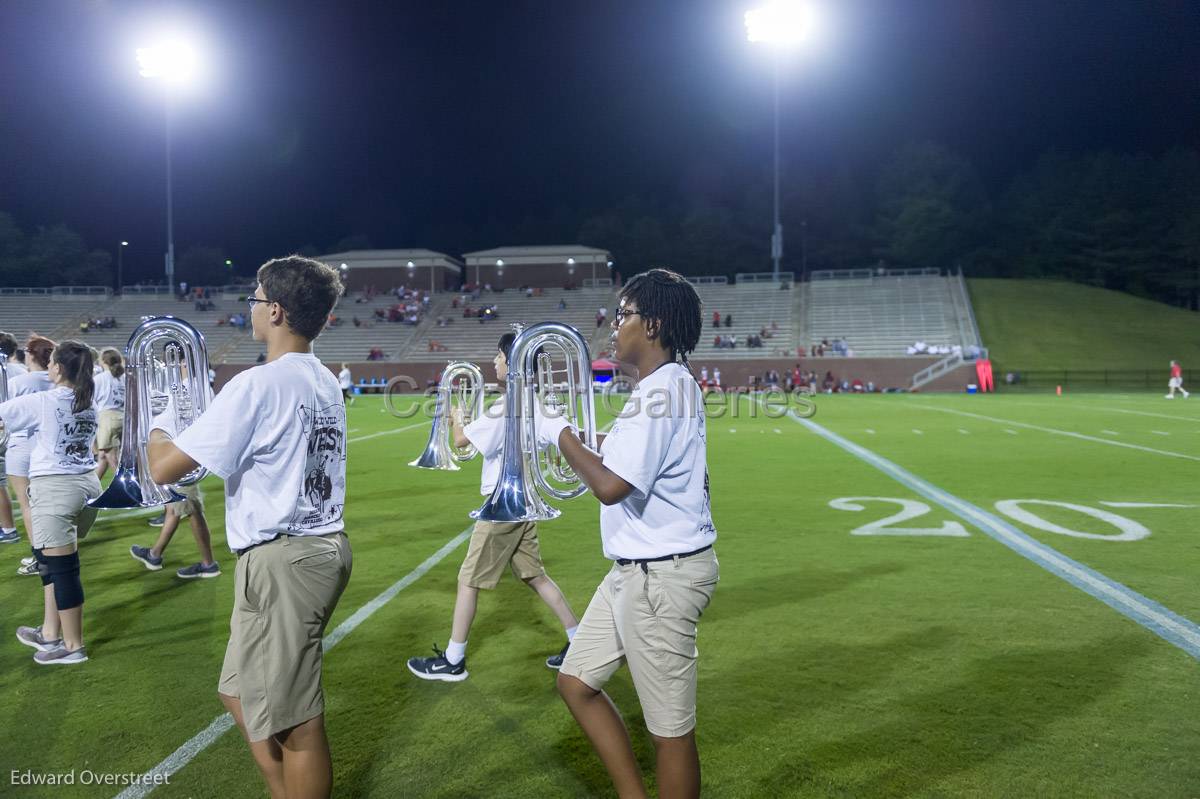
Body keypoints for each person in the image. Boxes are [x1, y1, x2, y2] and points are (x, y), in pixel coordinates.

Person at [147, 256, 352, 798]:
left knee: (298, 722)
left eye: (256, 299)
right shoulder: (324, 379)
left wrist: (158, 417)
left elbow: (164, 467)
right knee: (238, 694)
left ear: (277, 310)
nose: (252, 308)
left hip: (285, 557)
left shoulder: (259, 384)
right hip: (309, 549)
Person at [550, 268, 718, 799]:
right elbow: (626, 453)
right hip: (636, 572)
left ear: (655, 324)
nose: (614, 325)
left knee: (670, 733)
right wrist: (581, 436)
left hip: (660, 577)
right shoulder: (662, 386)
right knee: (575, 683)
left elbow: (611, 485)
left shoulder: (661, 391)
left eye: (623, 315)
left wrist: (556, 434)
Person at [407, 331, 580, 682]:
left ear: (513, 362)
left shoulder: (507, 406)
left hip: (503, 506)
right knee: (535, 576)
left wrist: (455, 415)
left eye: (500, 356)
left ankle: (453, 660)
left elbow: (460, 442)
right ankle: (579, 642)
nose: (496, 362)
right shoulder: (539, 402)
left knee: (467, 580)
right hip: (526, 502)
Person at [5, 341, 101, 665]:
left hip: (56, 489)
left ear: (58, 368)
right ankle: (49, 633)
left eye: (52, 363)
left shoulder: (44, 401)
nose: (48, 367)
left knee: (62, 570)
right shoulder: (88, 401)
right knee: (53, 562)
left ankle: (73, 647)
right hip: (87, 486)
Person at [5, 336, 56, 552]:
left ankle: (39, 556)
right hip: (50, 447)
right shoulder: (59, 379)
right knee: (50, 504)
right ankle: (55, 550)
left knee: (27, 504)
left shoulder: (17, 382)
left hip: (22, 446)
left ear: (32, 354)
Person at [93, 348, 126, 480]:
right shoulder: (124, 377)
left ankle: (127, 488)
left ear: (103, 361)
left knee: (110, 456)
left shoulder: (100, 378)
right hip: (123, 416)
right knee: (103, 456)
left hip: (106, 417)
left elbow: (92, 400)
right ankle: (92, 490)